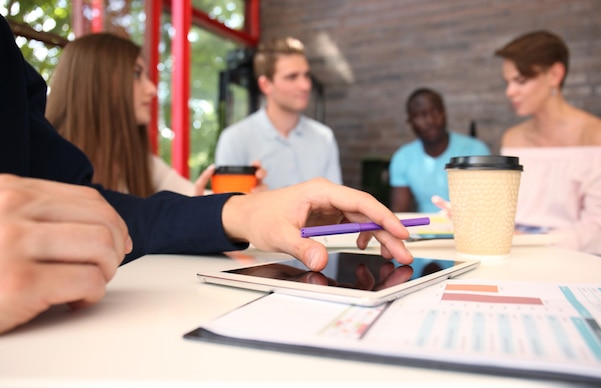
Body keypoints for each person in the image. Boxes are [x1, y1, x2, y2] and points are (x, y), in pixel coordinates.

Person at [0, 16, 413, 334]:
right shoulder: (236, 136)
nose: (151, 89)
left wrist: (244, 211)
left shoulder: (83, 160)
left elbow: (119, 211)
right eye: (136, 74)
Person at [45, 32, 265, 197]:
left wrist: (244, 201)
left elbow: (193, 200)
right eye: (135, 74)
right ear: (94, 82)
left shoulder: (141, 162)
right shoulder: (46, 163)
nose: (152, 89)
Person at [495, 30, 601, 261]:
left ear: (555, 74)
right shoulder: (512, 138)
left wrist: (532, 244)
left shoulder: (598, 136)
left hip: (583, 259)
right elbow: (505, 211)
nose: (510, 92)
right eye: (508, 82)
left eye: (521, 81)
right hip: (514, 254)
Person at [214, 36, 342, 190]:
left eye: (306, 75)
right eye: (291, 77)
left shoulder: (324, 138)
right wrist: (251, 201)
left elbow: (334, 205)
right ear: (266, 84)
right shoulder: (235, 139)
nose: (305, 85)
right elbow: (227, 209)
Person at [389, 88, 490, 213]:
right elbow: (399, 212)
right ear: (410, 122)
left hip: (468, 227)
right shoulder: (402, 158)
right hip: (424, 229)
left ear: (444, 113)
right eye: (421, 115)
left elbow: (486, 205)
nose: (430, 121)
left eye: (435, 112)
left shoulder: (475, 150)